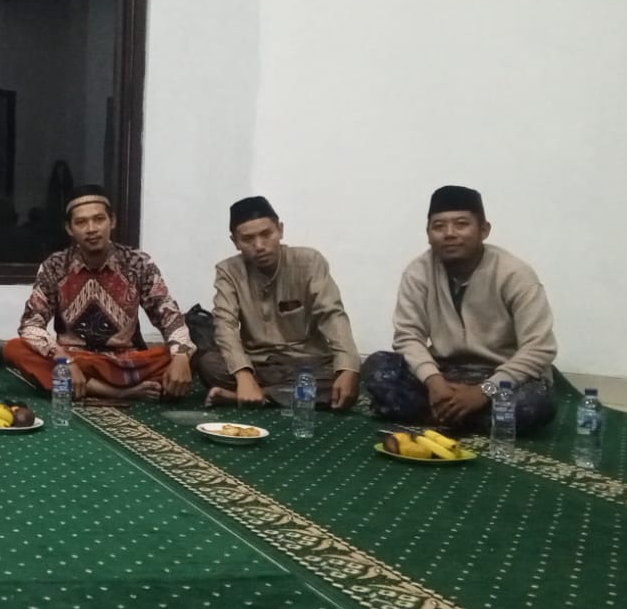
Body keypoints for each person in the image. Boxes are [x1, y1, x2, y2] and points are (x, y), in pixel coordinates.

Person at [361, 185, 558, 431]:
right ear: (428, 234)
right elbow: (407, 336)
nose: (449, 234)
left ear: (484, 230)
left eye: (461, 224)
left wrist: (483, 391)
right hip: (444, 373)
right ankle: (461, 413)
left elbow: (539, 348)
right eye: (439, 226)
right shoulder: (418, 273)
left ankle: (439, 415)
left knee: (534, 404)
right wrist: (434, 381)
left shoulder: (515, 274)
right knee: (378, 367)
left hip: (500, 375)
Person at [3, 185, 194, 402]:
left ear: (112, 221)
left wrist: (180, 355)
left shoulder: (138, 263)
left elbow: (168, 315)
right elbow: (30, 324)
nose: (91, 229)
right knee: (14, 349)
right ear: (69, 229)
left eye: (99, 219)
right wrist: (65, 359)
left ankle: (86, 387)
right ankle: (115, 392)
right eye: (81, 222)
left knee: (186, 356)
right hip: (75, 360)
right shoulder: (55, 266)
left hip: (125, 361)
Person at [195, 196, 362, 409]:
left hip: (308, 363)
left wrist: (348, 369)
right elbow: (225, 325)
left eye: (267, 234)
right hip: (257, 364)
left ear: (280, 230)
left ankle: (251, 396)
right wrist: (243, 374)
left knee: (343, 377)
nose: (259, 246)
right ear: (235, 242)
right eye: (247, 239)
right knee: (208, 364)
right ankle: (274, 393)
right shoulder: (229, 272)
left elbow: (332, 315)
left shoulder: (309, 262)